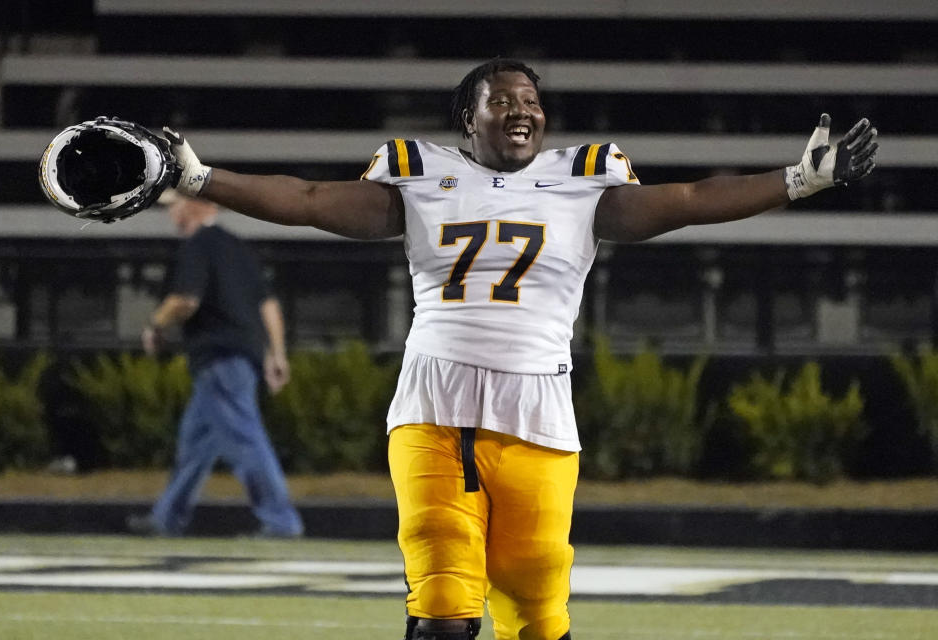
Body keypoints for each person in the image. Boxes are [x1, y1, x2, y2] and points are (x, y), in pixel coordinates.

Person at [156, 59, 877, 639]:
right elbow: (309, 200)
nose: (521, 109)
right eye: (500, 100)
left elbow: (686, 201)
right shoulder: (418, 173)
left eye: (529, 99)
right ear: (467, 118)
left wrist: (798, 180)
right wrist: (200, 178)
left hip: (536, 411)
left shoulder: (584, 177)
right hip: (432, 408)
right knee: (443, 600)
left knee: (535, 602)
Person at [127, 192, 304, 538]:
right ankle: (167, 518)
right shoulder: (237, 247)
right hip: (240, 357)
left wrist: (155, 326)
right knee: (195, 443)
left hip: (220, 358)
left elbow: (185, 300)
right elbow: (267, 304)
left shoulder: (199, 244)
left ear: (199, 204)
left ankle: (281, 522)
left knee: (245, 439)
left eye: (176, 204)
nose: (172, 212)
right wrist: (277, 354)